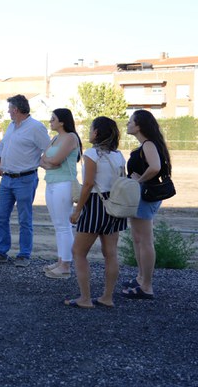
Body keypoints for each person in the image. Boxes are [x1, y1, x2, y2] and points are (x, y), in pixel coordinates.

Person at [65, 117, 128, 309]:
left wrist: (78, 210)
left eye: (91, 129)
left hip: (95, 204)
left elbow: (88, 184)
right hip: (114, 204)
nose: (89, 132)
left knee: (78, 252)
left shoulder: (92, 154)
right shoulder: (118, 155)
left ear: (97, 132)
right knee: (110, 253)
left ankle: (85, 298)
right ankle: (107, 297)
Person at [0, 95, 50, 267]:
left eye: (9, 108)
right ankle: (1, 252)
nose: (8, 111)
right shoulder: (11, 126)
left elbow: (49, 149)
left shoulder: (36, 127)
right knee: (1, 217)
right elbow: (2, 145)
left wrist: (41, 163)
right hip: (6, 179)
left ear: (16, 109)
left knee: (24, 219)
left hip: (25, 179)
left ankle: (24, 254)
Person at [122, 109, 172, 300]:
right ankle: (141, 278)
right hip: (142, 196)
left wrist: (139, 181)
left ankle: (147, 286)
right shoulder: (147, 144)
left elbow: (155, 167)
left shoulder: (149, 144)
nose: (127, 124)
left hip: (145, 196)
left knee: (144, 240)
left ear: (139, 126)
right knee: (138, 239)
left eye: (130, 121)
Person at [39, 108, 81, 279]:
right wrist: (50, 163)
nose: (50, 121)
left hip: (64, 184)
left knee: (64, 225)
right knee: (58, 225)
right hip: (51, 183)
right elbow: (42, 159)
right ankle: (61, 260)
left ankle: (66, 265)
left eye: (53, 119)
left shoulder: (71, 137)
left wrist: (50, 163)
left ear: (62, 121)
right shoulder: (56, 138)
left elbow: (56, 160)